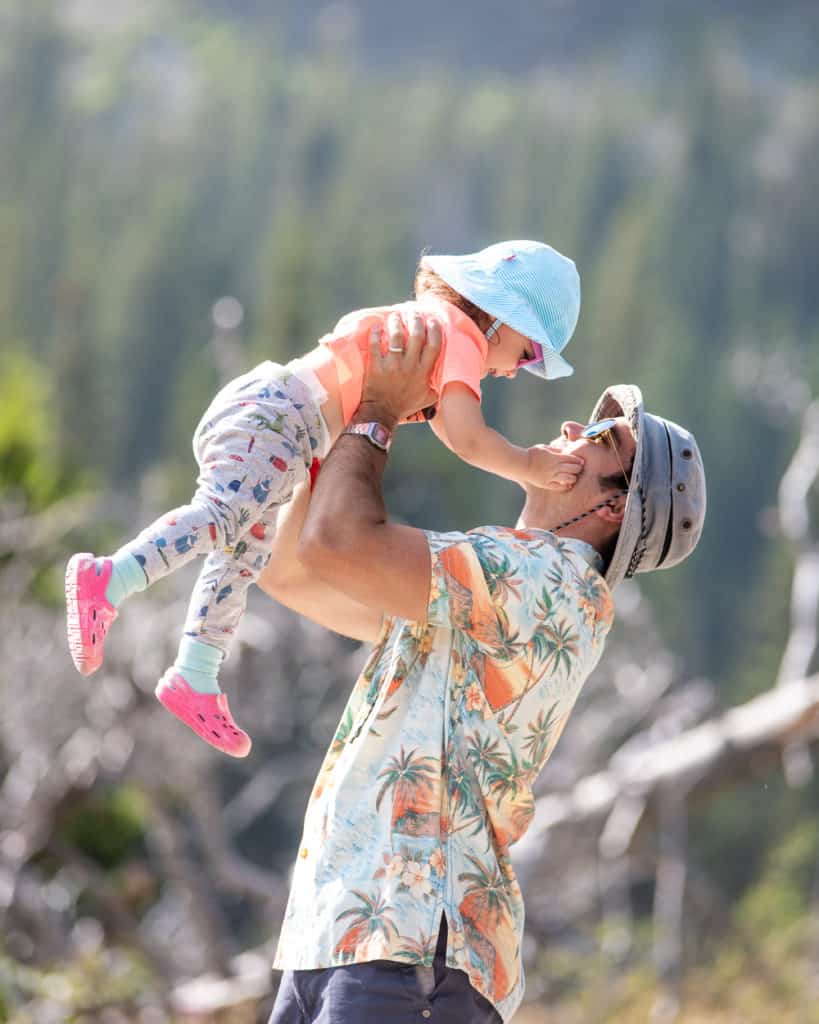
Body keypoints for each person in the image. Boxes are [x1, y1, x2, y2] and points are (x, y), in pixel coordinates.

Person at [258, 315, 706, 1023]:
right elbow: (290, 571)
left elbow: (337, 543)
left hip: (410, 941)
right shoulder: (494, 586)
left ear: (614, 503)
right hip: (355, 930)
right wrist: (343, 417)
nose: (569, 424)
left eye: (600, 438)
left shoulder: (545, 578)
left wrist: (377, 410)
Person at [65, 239, 585, 758]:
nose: (518, 368)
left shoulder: (438, 329)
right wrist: (531, 466)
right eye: (530, 351)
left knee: (244, 554)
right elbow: (470, 439)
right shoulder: (461, 335)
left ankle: (196, 673)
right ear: (500, 315)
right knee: (223, 520)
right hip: (284, 417)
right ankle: (110, 578)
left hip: (284, 421)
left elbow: (453, 433)